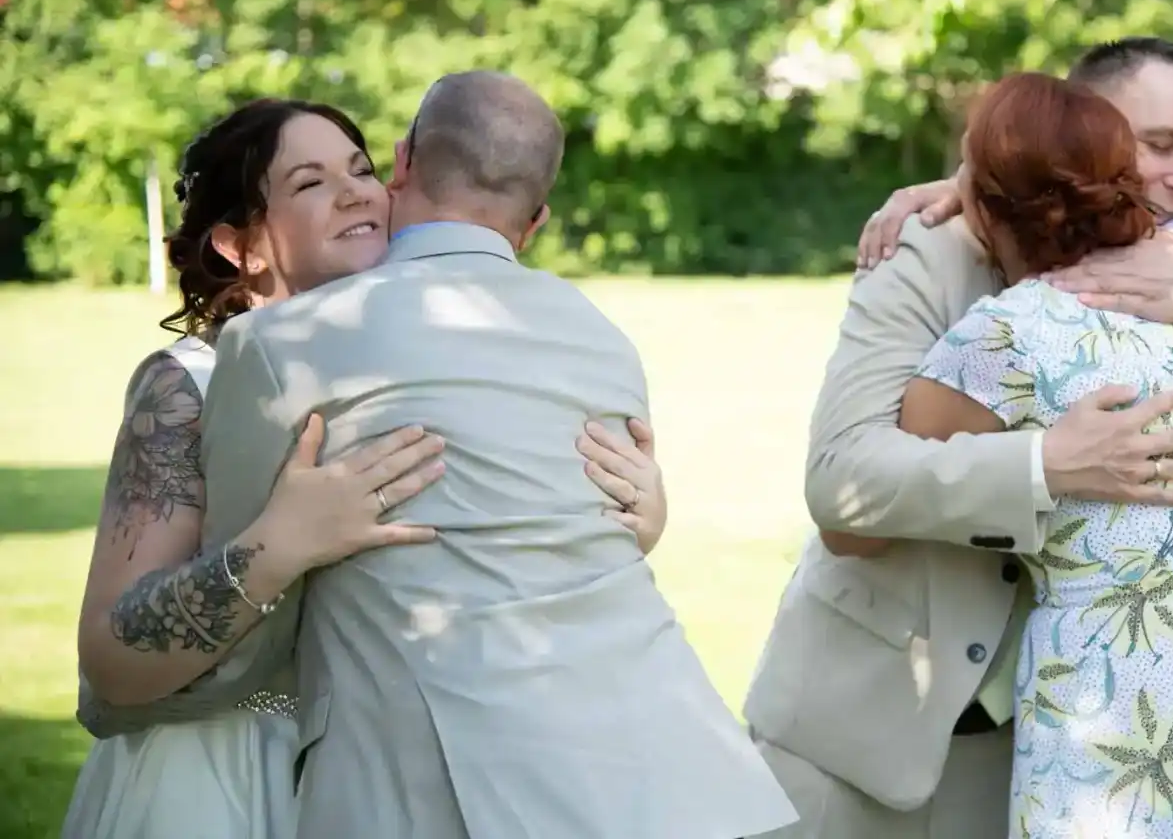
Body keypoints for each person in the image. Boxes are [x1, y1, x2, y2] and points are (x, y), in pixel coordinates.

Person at [744, 39, 1173, 838]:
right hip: (870, 729)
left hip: (1051, 747)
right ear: (1082, 124)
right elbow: (843, 485)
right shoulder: (928, 252)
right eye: (1161, 145)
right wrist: (1045, 465)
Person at [185, 72, 797, 839]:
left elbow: (241, 621)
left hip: (434, 794)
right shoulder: (603, 338)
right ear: (535, 222)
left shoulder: (283, 343)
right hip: (665, 773)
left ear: (401, 164)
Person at [61, 98, 668, 839]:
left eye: (360, 169)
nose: (356, 193)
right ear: (239, 246)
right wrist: (280, 544)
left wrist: (631, 522)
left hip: (394, 770)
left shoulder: (420, 361)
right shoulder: (187, 383)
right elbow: (112, 660)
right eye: (310, 182)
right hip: (228, 775)